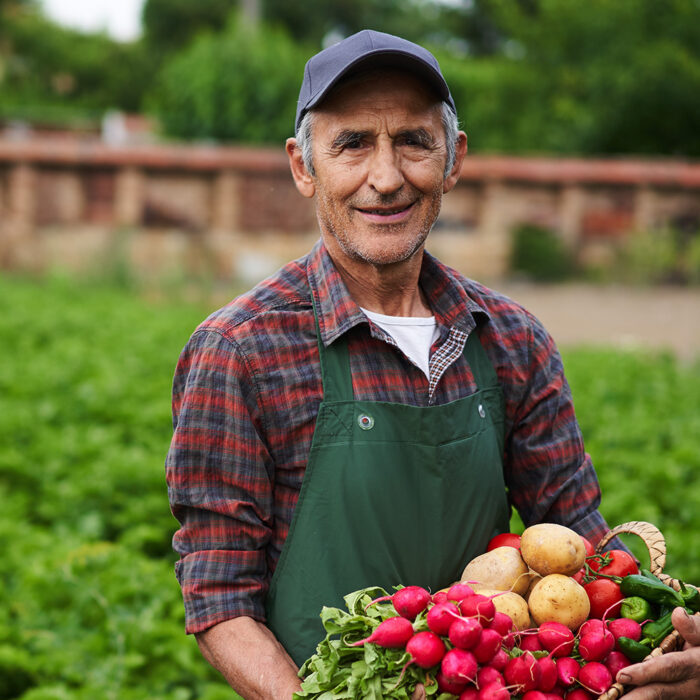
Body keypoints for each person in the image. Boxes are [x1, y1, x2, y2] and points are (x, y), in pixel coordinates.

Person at [165, 30, 698, 699]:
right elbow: (219, 597)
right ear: (304, 167)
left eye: (414, 141)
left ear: (453, 159)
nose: (386, 178)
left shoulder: (512, 339)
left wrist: (663, 647)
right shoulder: (241, 349)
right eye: (352, 143)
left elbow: (584, 554)